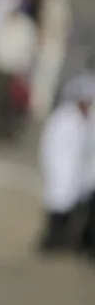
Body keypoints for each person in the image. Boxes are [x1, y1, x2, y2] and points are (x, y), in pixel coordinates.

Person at [38, 74, 95, 252]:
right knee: (57, 206)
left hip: (76, 173)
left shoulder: (84, 120)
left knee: (72, 209)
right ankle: (52, 241)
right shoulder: (63, 119)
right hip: (61, 170)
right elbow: (53, 148)